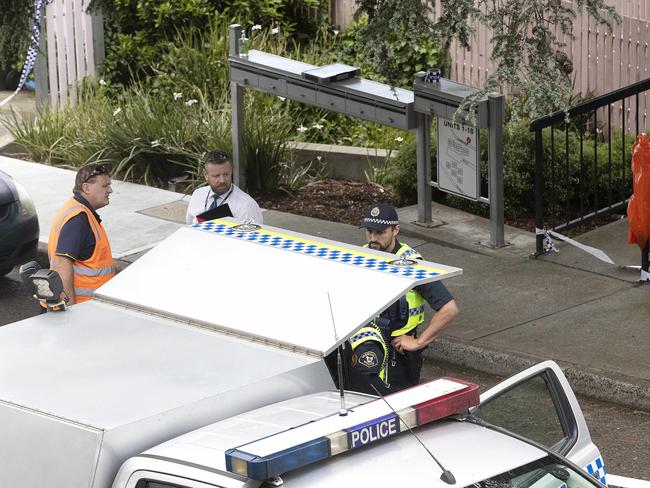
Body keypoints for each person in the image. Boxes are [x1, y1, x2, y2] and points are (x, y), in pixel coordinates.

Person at [353, 202, 459, 394]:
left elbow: (449, 309)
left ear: (396, 230)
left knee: (398, 410)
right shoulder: (361, 255)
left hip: (398, 357)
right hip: (364, 348)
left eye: (380, 232)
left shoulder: (412, 264)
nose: (373, 238)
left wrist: (419, 343)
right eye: (369, 231)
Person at [48, 163, 116, 305]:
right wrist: (69, 310)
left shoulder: (78, 211)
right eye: (105, 186)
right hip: (82, 309)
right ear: (86, 188)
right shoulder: (78, 218)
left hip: (87, 308)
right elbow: (62, 263)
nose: (110, 190)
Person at [185, 150, 263, 225]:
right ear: (206, 175)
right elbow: (189, 225)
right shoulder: (197, 194)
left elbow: (252, 236)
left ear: (231, 171)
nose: (222, 180)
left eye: (226, 174)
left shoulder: (247, 205)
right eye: (216, 176)